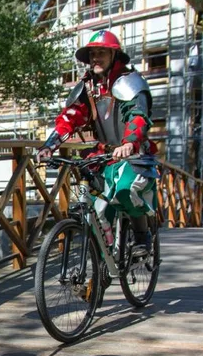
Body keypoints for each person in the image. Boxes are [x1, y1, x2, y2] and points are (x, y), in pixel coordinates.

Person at [36, 29, 158, 253]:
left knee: (126, 190)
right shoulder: (88, 88)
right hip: (102, 155)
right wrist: (48, 146)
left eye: (102, 52)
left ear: (114, 56)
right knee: (94, 207)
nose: (96, 58)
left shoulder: (130, 82)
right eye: (92, 54)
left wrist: (130, 142)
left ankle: (142, 235)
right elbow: (69, 119)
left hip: (133, 154)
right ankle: (103, 257)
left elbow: (138, 116)